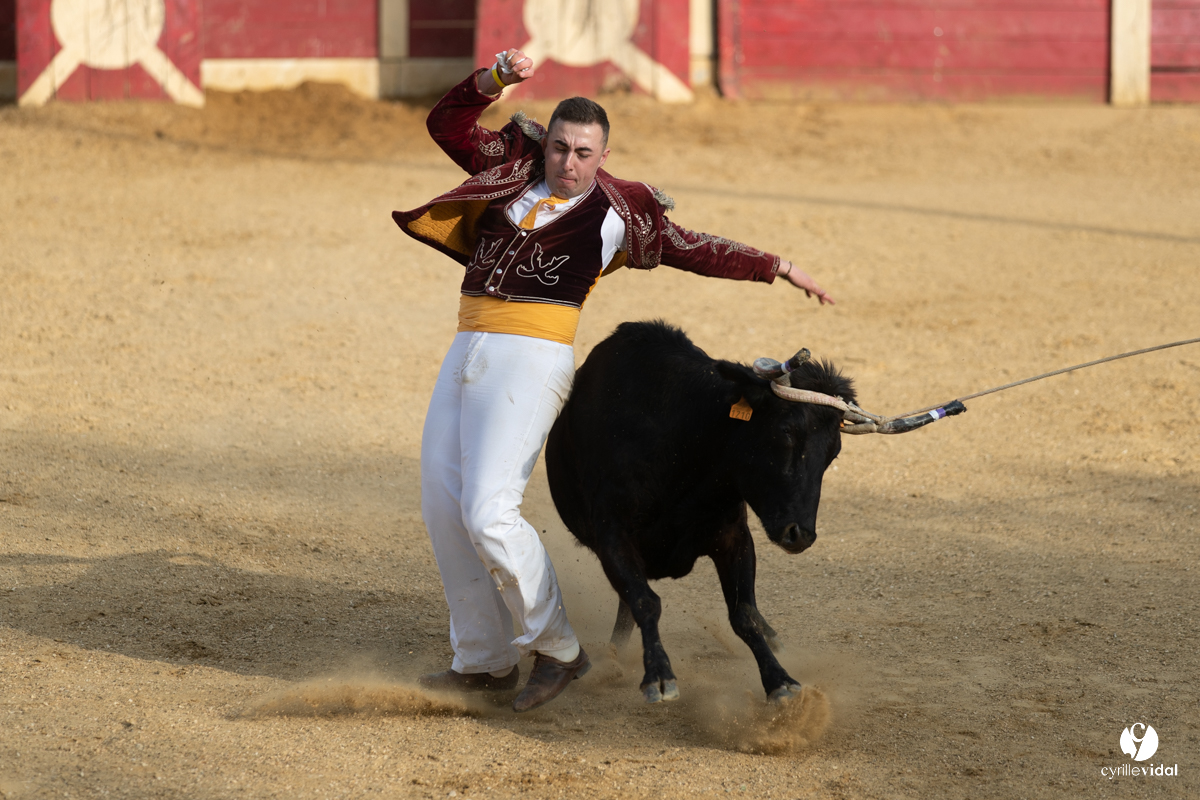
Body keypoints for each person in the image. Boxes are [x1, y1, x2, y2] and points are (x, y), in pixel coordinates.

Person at [393, 49, 834, 713]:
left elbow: (694, 247)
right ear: (547, 143)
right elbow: (445, 123)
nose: (569, 163)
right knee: (443, 504)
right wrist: (494, 79)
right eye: (560, 148)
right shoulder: (510, 169)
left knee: (488, 512)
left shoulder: (618, 213)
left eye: (584, 153)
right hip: (467, 347)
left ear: (603, 156)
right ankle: (482, 660)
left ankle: (558, 648)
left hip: (531, 357)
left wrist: (777, 266)